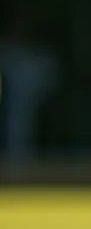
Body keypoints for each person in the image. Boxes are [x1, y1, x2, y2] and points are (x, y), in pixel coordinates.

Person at [0, 14, 57, 163]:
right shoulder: (7, 49)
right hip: (11, 105)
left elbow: (49, 79)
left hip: (32, 105)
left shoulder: (41, 53)